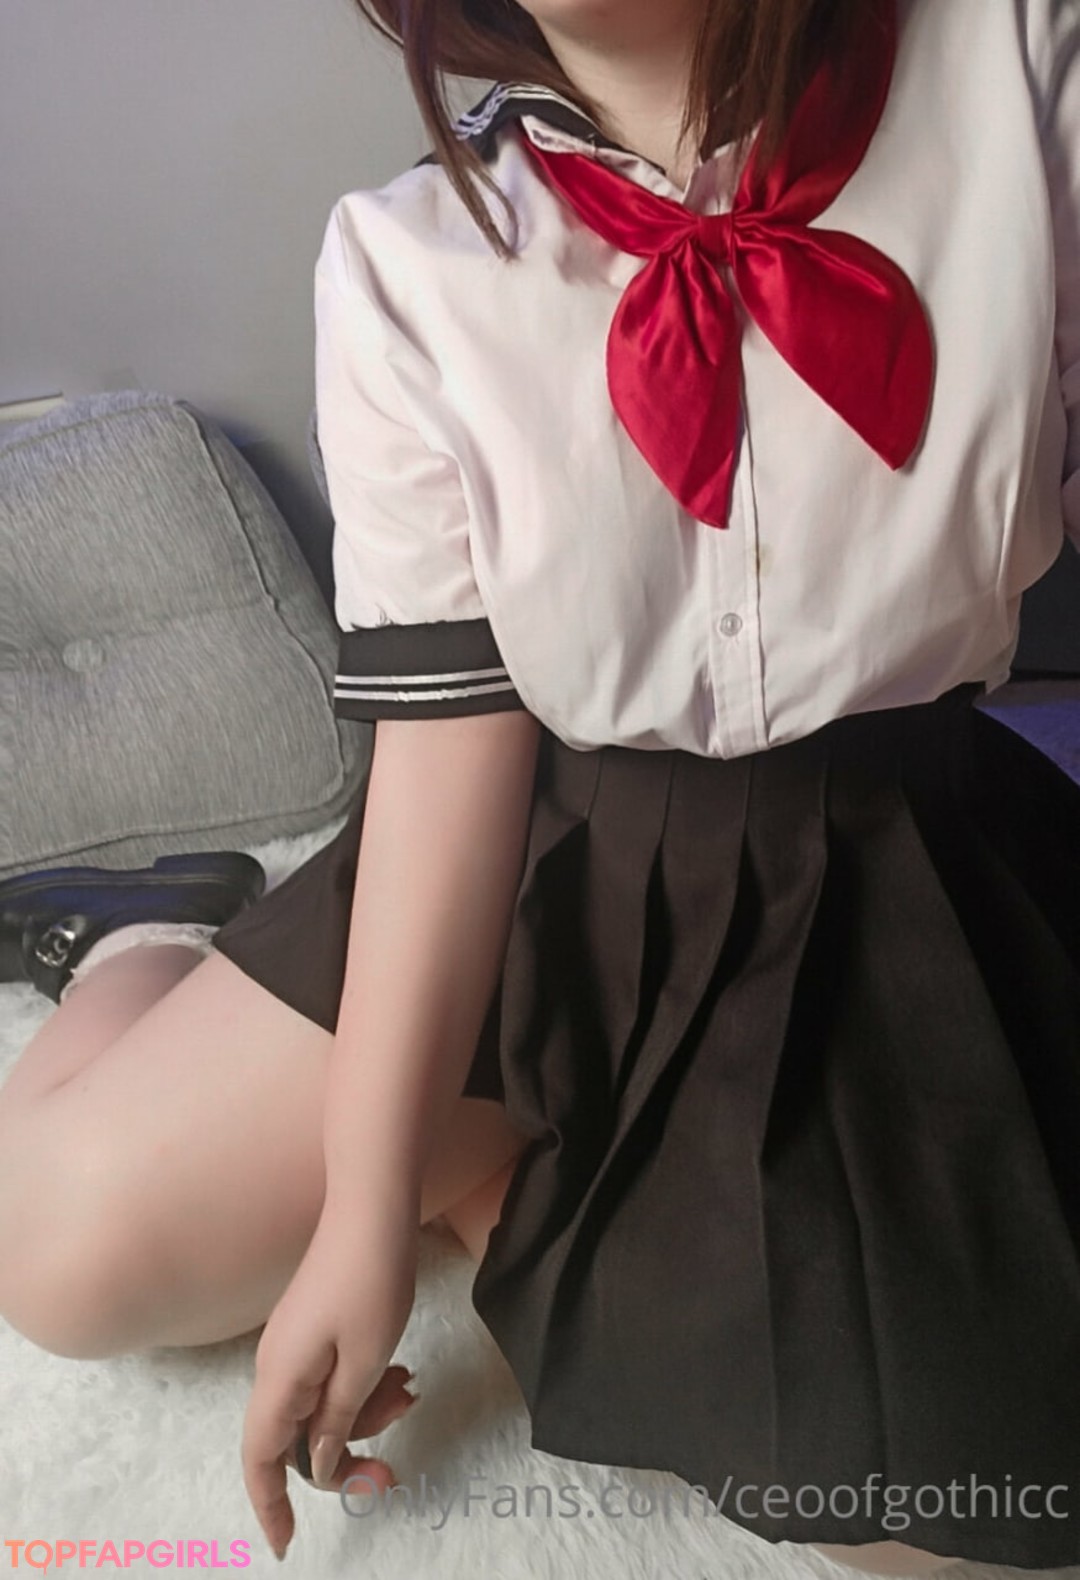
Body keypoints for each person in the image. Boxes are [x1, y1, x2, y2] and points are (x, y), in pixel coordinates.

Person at [0, 0, 1078, 1572]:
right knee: (61, 1258)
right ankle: (134, 938)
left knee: (956, 1521)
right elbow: (452, 757)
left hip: (888, 866)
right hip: (535, 861)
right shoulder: (407, 266)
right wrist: (365, 1204)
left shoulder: (1025, 60)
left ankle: (540, 1193)